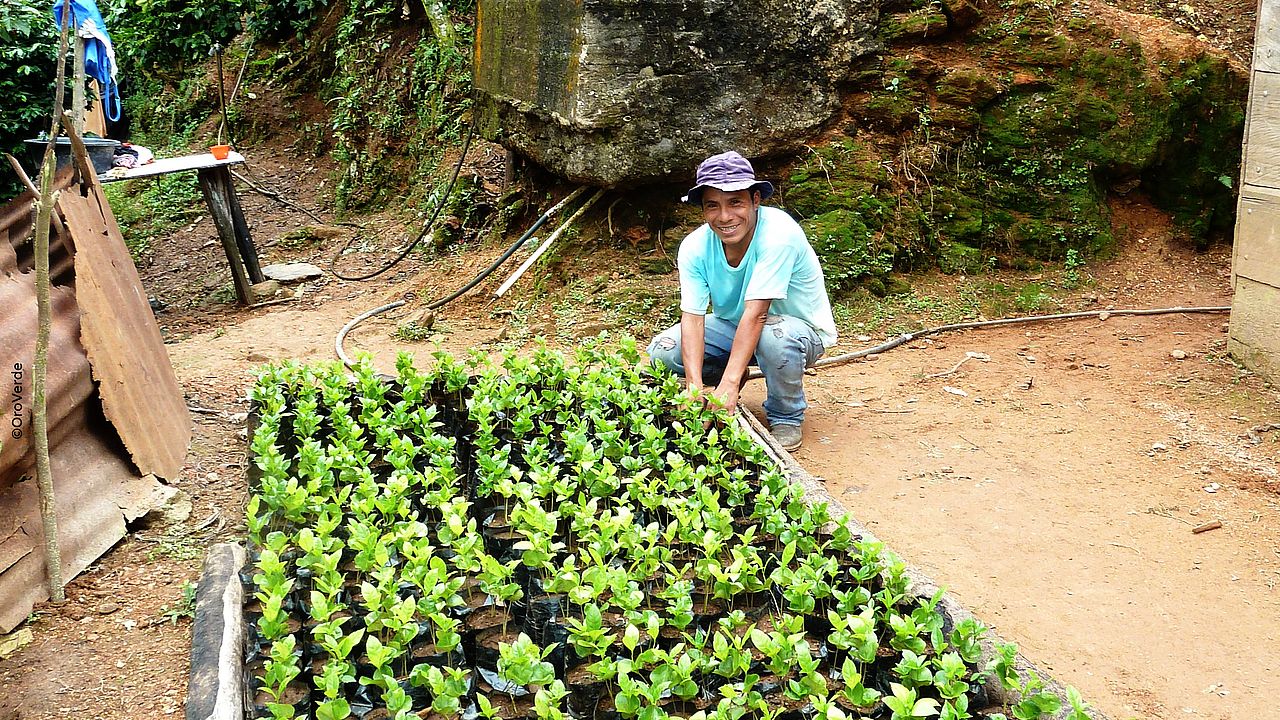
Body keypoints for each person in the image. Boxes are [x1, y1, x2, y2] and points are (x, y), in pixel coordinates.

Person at [648, 151, 837, 451]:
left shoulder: (779, 234)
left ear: (756, 200)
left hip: (794, 332)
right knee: (663, 352)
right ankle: (729, 375)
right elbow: (693, 318)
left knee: (775, 336)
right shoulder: (694, 247)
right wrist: (694, 385)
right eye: (713, 206)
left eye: (735, 202)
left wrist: (730, 384)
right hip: (734, 327)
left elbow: (758, 315)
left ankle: (785, 415)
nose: (725, 217)